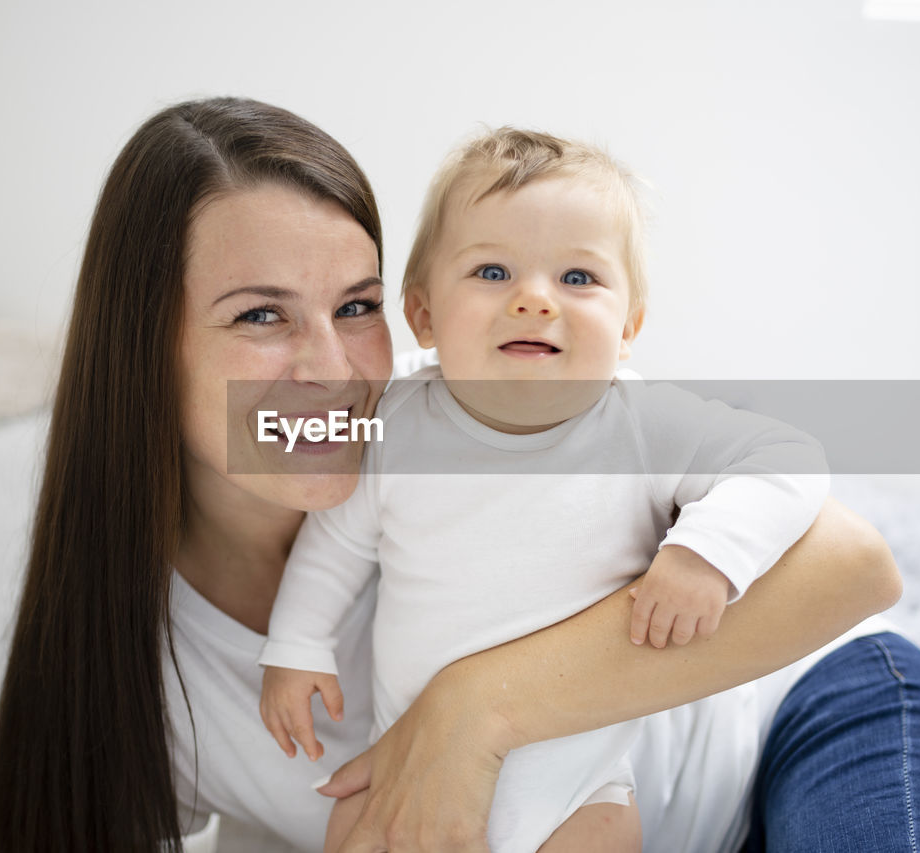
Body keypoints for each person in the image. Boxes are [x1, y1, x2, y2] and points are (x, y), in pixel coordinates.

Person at [0, 97, 920, 853]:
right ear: (140, 350)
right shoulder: (136, 672)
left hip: (811, 713)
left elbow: (857, 567)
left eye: (353, 305)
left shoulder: (468, 414)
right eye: (259, 315)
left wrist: (478, 705)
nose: (335, 369)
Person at [256, 128, 832, 853]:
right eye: (493, 272)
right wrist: (298, 642)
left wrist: (705, 552)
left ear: (629, 326)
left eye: (578, 278)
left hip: (579, 787)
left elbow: (790, 459)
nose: (534, 299)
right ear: (424, 314)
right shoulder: (399, 419)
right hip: (408, 761)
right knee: (354, 832)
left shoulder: (644, 427)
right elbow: (336, 539)